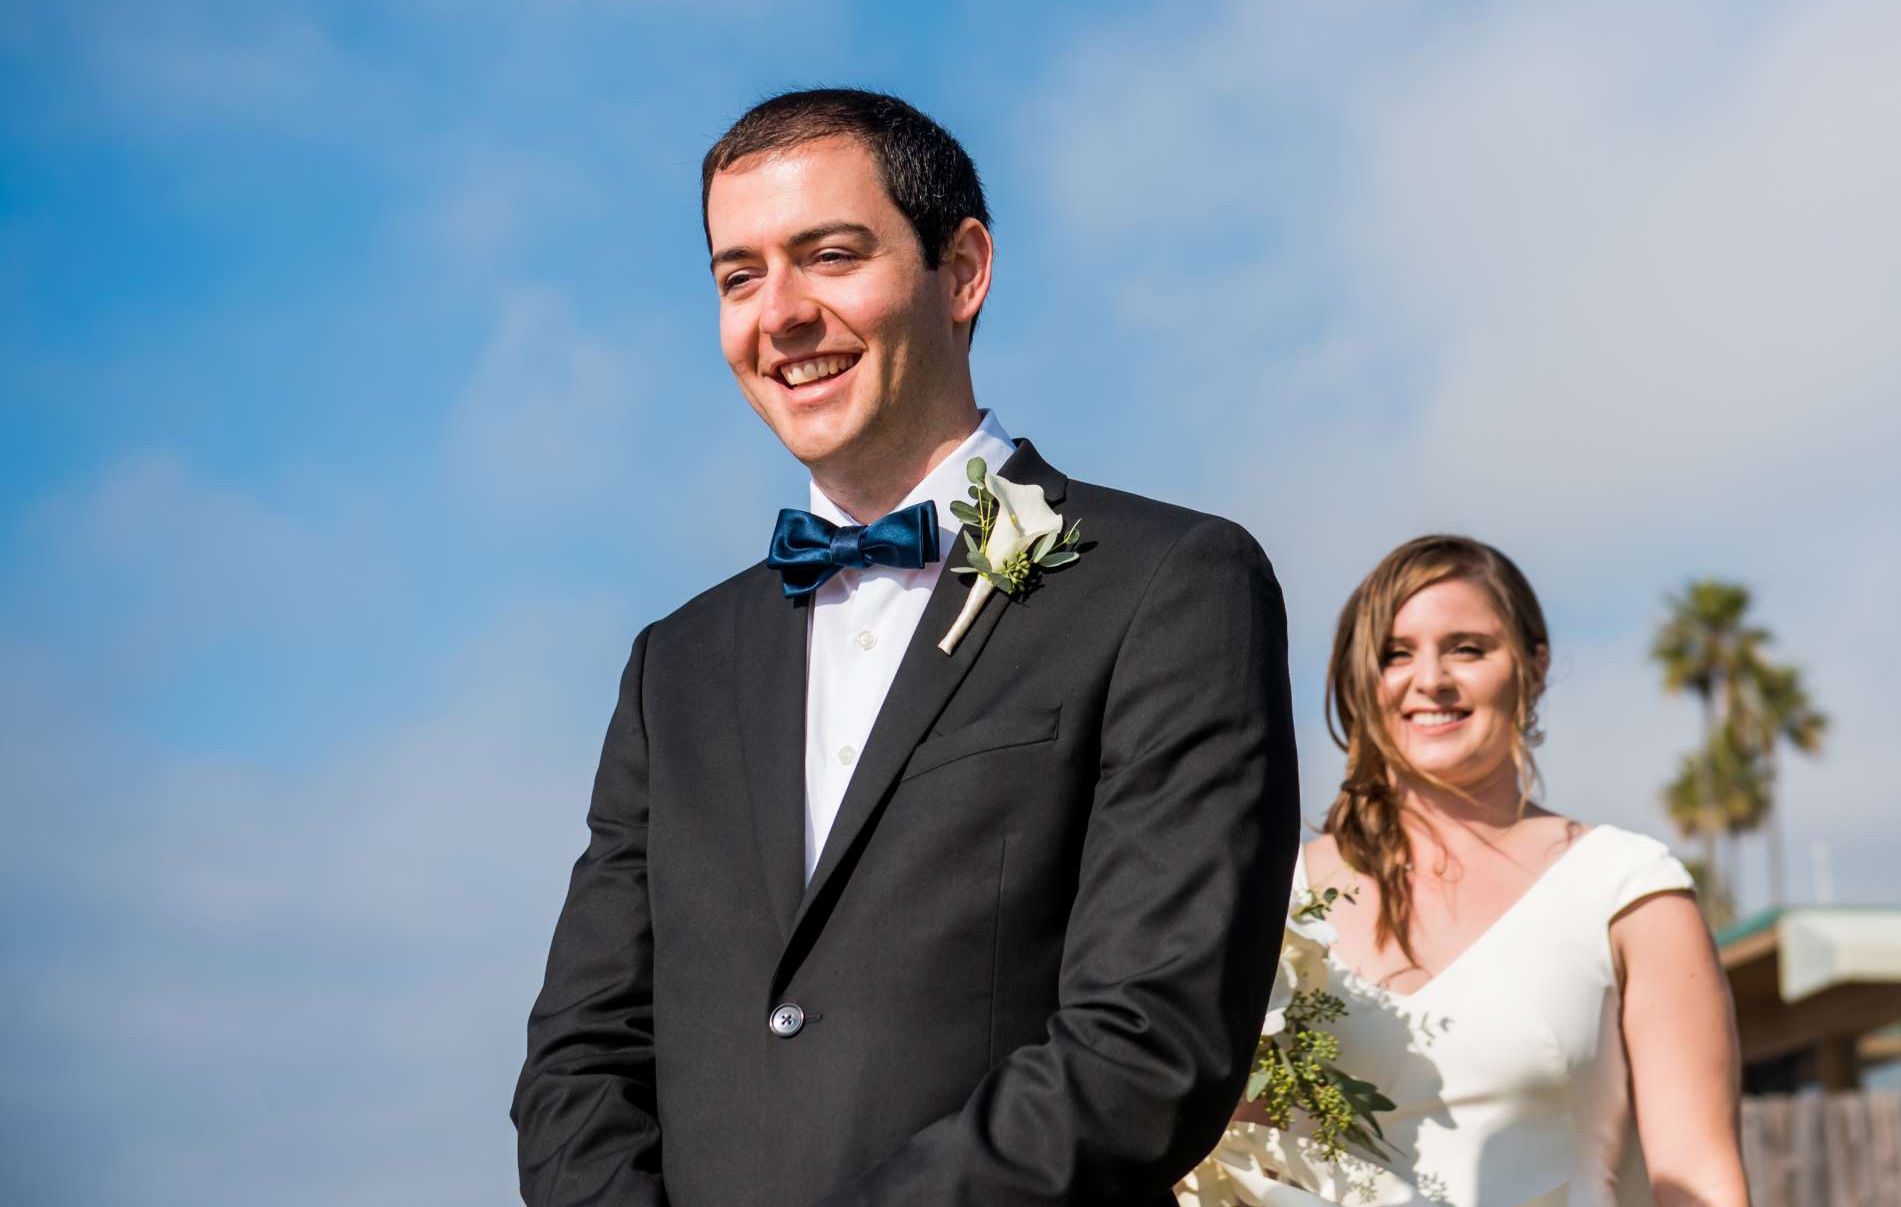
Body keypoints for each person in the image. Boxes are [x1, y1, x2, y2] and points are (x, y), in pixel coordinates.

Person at [511, 89, 1302, 1206]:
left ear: (963, 270)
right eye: (739, 276)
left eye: (829, 256)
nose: (777, 313)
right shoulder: (673, 665)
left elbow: (1150, 1037)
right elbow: (581, 1057)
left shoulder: (1169, 585)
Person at [1232, 535, 1749, 1207]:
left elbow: (1700, 1178)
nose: (1431, 679)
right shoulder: (1275, 898)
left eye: (1467, 648)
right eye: (1395, 654)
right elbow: (1240, 1159)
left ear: (1534, 665)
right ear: (1361, 680)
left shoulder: (1628, 891)